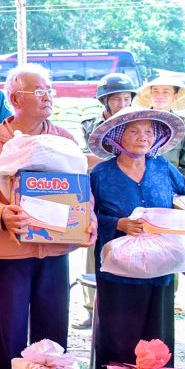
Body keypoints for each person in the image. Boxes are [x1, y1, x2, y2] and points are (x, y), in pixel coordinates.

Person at [0, 64, 96, 369]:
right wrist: (1, 212)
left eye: (49, 90)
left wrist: (88, 216)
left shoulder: (63, 139)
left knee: (53, 315)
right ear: (14, 98)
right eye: (39, 91)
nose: (48, 96)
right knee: (8, 318)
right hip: (10, 247)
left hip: (55, 249)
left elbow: (81, 187)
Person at [87, 105, 185, 369]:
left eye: (149, 131)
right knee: (117, 323)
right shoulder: (101, 173)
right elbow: (86, 213)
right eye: (134, 131)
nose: (142, 137)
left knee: (157, 322)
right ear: (118, 137)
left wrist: (179, 208)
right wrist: (118, 223)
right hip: (118, 264)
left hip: (161, 263)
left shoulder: (164, 168)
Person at [72, 73, 137, 330]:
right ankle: (91, 309)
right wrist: (121, 161)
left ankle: (129, 307)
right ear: (105, 102)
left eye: (127, 98)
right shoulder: (90, 125)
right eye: (117, 99)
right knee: (94, 245)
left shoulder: (139, 121)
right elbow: (84, 158)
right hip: (97, 191)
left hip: (128, 194)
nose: (123, 104)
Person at [135, 76, 185, 183]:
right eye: (155, 91)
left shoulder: (184, 127)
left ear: (175, 96)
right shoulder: (136, 122)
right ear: (150, 94)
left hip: (169, 184)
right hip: (137, 181)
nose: (159, 96)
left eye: (166, 92)